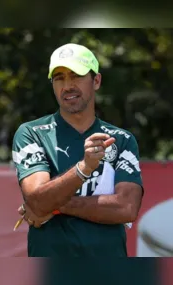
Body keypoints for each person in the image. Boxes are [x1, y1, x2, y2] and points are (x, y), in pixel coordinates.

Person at [12, 43, 143, 257]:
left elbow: (126, 208)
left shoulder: (121, 139)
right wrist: (84, 168)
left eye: (76, 76)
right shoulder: (31, 133)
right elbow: (37, 200)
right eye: (59, 78)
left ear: (96, 81)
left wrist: (54, 206)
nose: (67, 85)